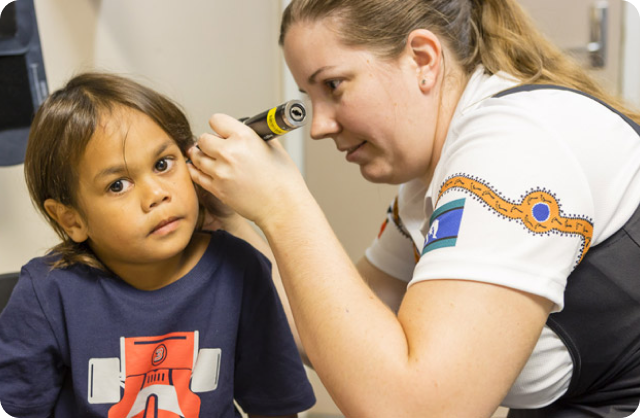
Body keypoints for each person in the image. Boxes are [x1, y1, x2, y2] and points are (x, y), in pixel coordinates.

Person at [186, 0, 640, 417]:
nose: (319, 125)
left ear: (423, 59)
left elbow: (418, 409)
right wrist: (232, 221)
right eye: (310, 97)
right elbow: (336, 328)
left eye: (333, 85)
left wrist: (284, 205)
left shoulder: (514, 147)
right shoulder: (436, 173)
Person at [0, 72, 315, 418]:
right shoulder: (45, 295)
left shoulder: (241, 270)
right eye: (118, 185)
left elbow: (275, 407)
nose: (156, 194)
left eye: (163, 164)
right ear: (71, 219)